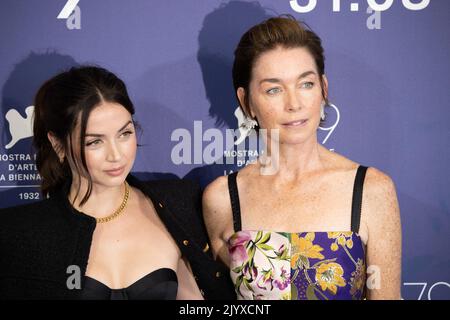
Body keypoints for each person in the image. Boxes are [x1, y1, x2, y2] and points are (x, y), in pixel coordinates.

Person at [202, 16, 402, 300]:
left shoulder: (372, 190)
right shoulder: (222, 198)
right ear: (247, 102)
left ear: (323, 88)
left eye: (305, 84)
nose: (294, 104)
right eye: (274, 89)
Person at [0, 66, 234, 300]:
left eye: (124, 134)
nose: (116, 155)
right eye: (94, 142)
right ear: (58, 144)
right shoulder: (21, 233)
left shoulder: (179, 205)